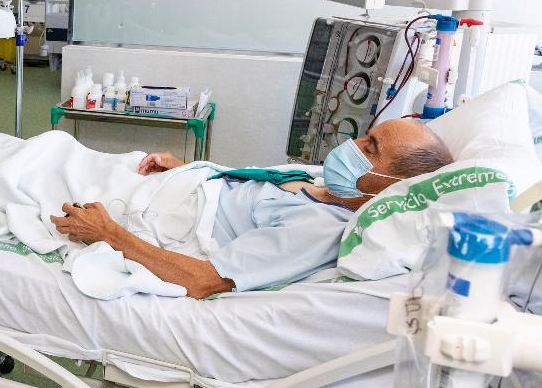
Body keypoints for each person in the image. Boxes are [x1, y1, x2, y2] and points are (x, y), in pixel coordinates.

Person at [52, 119, 455, 298]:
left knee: (38, 165)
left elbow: (205, 281)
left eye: (371, 149)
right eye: (366, 136)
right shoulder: (328, 183)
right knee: (57, 149)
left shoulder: (318, 229)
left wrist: (107, 234)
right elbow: (255, 190)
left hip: (157, 212)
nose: (353, 147)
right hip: (173, 184)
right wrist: (193, 170)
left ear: (392, 186)